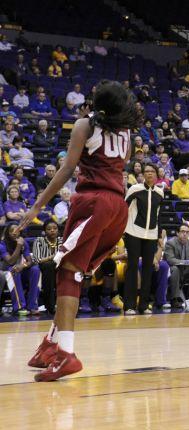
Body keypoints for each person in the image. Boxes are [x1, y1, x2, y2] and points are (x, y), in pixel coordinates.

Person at [22, 80, 138, 382]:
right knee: (73, 273)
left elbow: (67, 168)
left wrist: (37, 205)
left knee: (67, 273)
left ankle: (66, 354)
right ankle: (50, 345)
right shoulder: (128, 133)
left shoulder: (84, 126)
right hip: (117, 207)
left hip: (94, 202)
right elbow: (118, 164)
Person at [123, 163, 165, 315]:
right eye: (146, 171)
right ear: (143, 174)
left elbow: (158, 215)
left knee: (148, 269)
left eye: (152, 172)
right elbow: (123, 209)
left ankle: (144, 305)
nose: (149, 174)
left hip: (151, 235)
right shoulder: (135, 189)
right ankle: (129, 305)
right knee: (132, 267)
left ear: (156, 175)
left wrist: (159, 235)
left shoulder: (160, 193)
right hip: (133, 233)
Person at [0, 222, 41, 316]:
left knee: (35, 270)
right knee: (13, 270)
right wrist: (18, 246)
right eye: (11, 231)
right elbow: (10, 261)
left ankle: (32, 306)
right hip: (6, 271)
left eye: (17, 230)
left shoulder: (24, 242)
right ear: (7, 233)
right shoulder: (2, 245)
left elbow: (29, 261)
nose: (14, 233)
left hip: (20, 269)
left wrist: (23, 266)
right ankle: (19, 307)